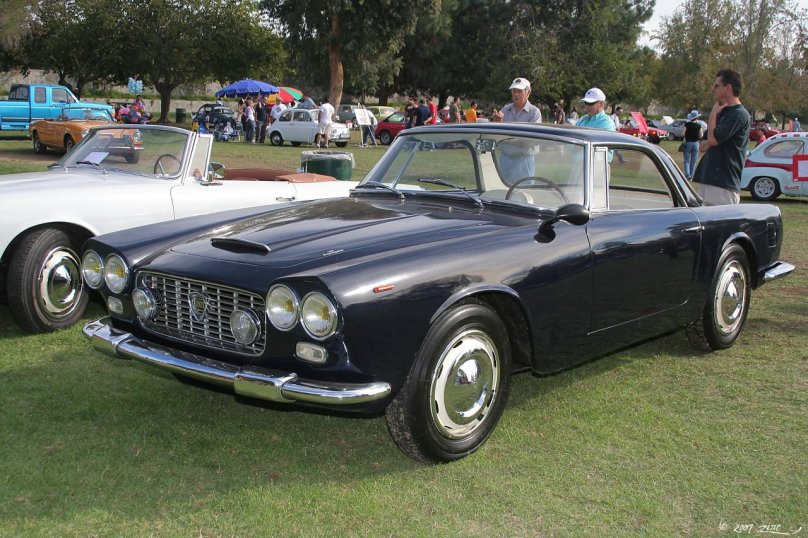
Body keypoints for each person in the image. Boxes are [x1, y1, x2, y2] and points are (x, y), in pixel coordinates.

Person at [692, 69, 751, 206]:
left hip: (723, 184)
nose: (714, 89)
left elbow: (712, 140)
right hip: (708, 179)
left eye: (717, 85)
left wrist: (713, 115)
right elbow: (702, 146)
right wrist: (712, 139)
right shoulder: (721, 112)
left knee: (720, 226)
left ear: (728, 87)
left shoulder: (738, 114)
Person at [682, 110, 704, 180]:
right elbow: (701, 135)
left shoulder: (687, 124)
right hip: (696, 143)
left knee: (686, 160)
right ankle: (691, 176)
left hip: (688, 142)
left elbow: (683, 133)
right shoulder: (699, 125)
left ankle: (687, 174)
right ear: (696, 118)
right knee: (693, 161)